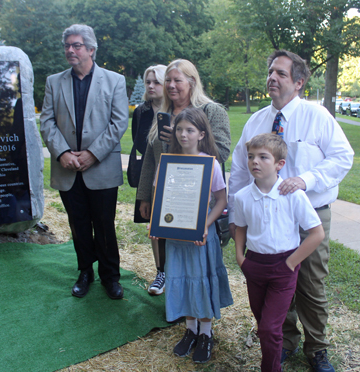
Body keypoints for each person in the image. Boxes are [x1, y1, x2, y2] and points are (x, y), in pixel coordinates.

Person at [228, 50, 354, 372]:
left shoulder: (318, 117)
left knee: (310, 284)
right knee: (275, 281)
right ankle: (283, 341)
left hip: (309, 212)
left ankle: (317, 349)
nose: (272, 77)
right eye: (271, 71)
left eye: (281, 73)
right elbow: (241, 171)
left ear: (298, 82)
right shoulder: (257, 121)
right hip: (265, 217)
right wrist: (235, 217)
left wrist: (306, 179)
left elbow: (342, 157)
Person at [40, 24, 128, 300]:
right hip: (67, 169)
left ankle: (110, 277)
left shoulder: (115, 80)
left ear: (91, 49)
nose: (70, 50)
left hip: (100, 167)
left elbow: (119, 123)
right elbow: (46, 121)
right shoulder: (55, 81)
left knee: (104, 224)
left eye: (76, 45)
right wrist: (63, 152)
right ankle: (85, 272)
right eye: (67, 45)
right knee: (78, 224)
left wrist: (93, 154)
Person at [233, 133, 325, 372]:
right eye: (251, 156)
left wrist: (290, 263)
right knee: (262, 322)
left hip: (283, 269)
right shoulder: (243, 196)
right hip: (254, 266)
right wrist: (240, 257)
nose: (255, 161)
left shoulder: (293, 195)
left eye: (263, 157)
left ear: (279, 164)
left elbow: (317, 233)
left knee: (269, 328)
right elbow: (240, 227)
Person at [136, 59, 231, 285]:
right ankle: (168, 283)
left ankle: (197, 300)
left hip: (198, 196)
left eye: (177, 80)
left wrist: (183, 143)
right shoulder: (164, 112)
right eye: (167, 80)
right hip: (166, 195)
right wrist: (144, 196)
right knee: (167, 244)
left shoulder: (211, 111)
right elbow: (151, 156)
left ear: (192, 82)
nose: (171, 85)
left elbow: (223, 151)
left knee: (194, 254)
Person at [150, 108, 233, 364]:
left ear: (201, 134)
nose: (183, 134)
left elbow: (221, 199)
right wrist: (156, 223)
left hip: (200, 237)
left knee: (200, 279)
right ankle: (190, 329)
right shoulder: (168, 162)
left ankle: (206, 333)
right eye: (179, 129)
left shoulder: (211, 163)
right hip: (176, 236)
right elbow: (159, 196)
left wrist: (205, 225)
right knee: (182, 279)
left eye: (189, 130)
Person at [129, 64, 167, 295]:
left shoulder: (179, 109)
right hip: (150, 173)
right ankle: (160, 271)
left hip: (176, 176)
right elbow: (139, 144)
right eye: (148, 82)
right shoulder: (141, 111)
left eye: (156, 82)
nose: (151, 86)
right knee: (153, 225)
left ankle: (177, 271)